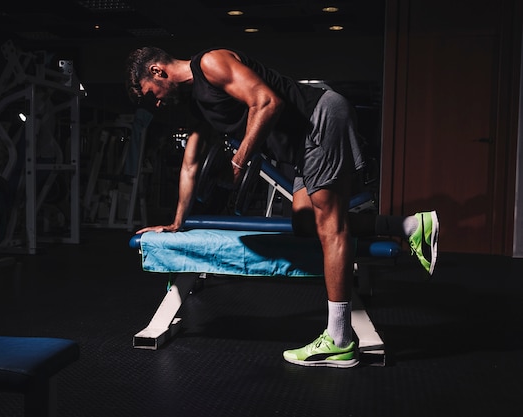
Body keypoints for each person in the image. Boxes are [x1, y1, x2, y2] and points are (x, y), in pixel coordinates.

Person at [125, 46, 439, 368]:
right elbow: (190, 165)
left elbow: (266, 101)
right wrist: (177, 222)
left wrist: (239, 161)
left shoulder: (210, 63)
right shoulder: (197, 104)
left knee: (331, 226)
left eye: (153, 96)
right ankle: (409, 227)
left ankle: (340, 339)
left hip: (318, 116)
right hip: (304, 143)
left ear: (157, 72)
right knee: (305, 224)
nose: (159, 104)